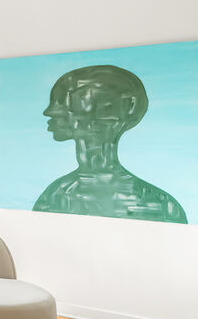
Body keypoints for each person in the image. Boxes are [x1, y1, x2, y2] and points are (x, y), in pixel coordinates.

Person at [34, 64, 187, 223]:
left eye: (66, 101)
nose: (50, 111)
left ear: (106, 111)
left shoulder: (55, 196)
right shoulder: (163, 204)